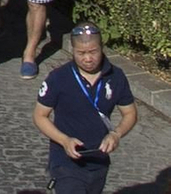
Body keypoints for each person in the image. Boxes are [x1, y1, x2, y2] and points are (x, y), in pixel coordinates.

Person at [33, 22, 137, 194]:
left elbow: (130, 113)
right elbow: (39, 115)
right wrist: (64, 140)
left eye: (93, 52)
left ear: (101, 47)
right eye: (81, 53)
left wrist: (116, 134)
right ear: (72, 50)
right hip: (65, 163)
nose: (88, 59)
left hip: (98, 161)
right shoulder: (59, 77)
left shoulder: (116, 76)